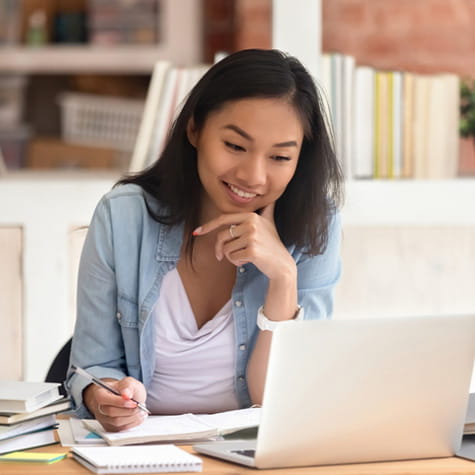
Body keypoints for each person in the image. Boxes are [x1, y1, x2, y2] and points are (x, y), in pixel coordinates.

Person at [66, 48, 343, 432]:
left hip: (249, 453)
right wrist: (108, 397)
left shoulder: (316, 226)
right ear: (194, 129)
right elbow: (92, 366)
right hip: (141, 453)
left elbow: (281, 402)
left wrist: (283, 277)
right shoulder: (123, 217)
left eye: (279, 157)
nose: (253, 176)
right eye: (235, 146)